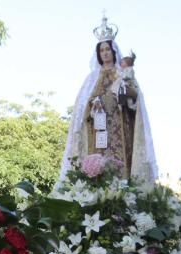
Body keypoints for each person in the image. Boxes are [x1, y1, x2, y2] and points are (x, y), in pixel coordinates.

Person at [58, 16, 157, 184]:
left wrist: (125, 92)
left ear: (113, 51)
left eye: (107, 49)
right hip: (97, 132)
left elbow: (135, 100)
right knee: (98, 168)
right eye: (101, 50)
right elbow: (81, 109)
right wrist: (93, 105)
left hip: (120, 128)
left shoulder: (123, 73)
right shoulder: (90, 79)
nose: (104, 53)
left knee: (120, 168)